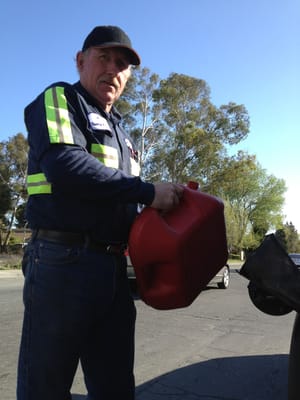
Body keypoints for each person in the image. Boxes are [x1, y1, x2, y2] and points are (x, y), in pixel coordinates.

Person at [17, 25, 184, 400]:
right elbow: (67, 168)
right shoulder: (61, 99)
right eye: (104, 57)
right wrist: (149, 192)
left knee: (114, 385)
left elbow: (131, 203)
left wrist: (175, 210)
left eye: (122, 63)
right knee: (45, 385)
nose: (113, 68)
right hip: (62, 262)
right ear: (80, 61)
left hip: (112, 269)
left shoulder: (123, 133)